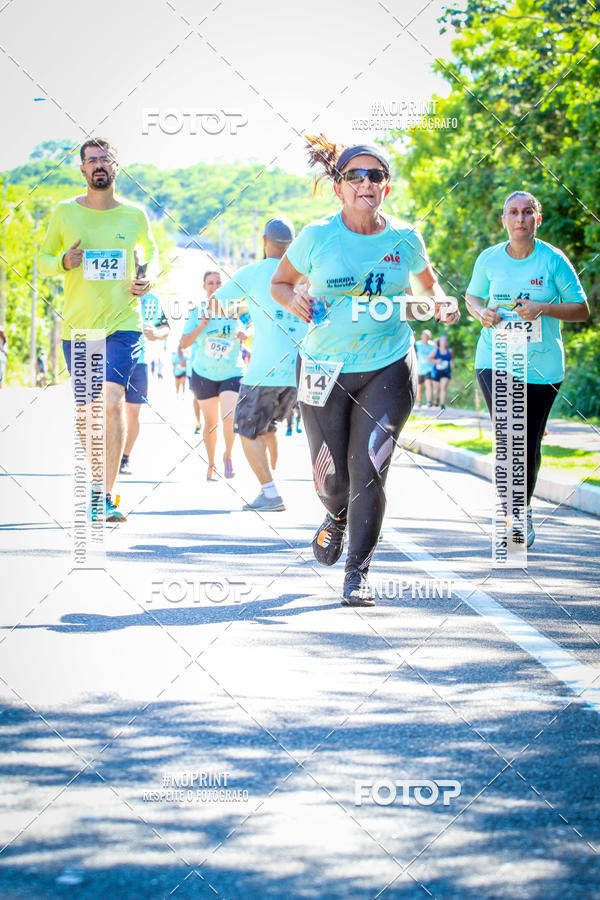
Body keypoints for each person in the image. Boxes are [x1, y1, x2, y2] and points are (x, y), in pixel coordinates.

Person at [271, 135, 460, 606]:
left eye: (374, 175)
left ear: (386, 187)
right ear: (338, 187)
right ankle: (334, 517)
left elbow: (430, 285)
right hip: (323, 367)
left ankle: (358, 574)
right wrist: (293, 299)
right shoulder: (317, 236)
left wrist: (441, 303)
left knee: (369, 469)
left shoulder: (404, 238)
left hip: (388, 366)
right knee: (334, 481)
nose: (364, 183)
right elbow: (281, 283)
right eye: (354, 176)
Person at [39, 137, 156, 522]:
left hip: (123, 324)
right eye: (92, 161)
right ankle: (94, 485)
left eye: (105, 159)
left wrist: (147, 278)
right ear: (82, 170)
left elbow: (150, 256)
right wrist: (63, 260)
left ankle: (105, 495)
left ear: (116, 167)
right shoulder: (64, 213)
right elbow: (41, 261)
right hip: (80, 329)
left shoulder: (134, 215)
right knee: (87, 412)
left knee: (112, 401)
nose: (99, 165)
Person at [466, 189, 589, 547]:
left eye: (526, 213)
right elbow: (473, 297)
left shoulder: (553, 260)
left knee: (528, 443)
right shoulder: (489, 259)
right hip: (495, 358)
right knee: (508, 437)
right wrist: (480, 312)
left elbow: (581, 310)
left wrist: (542, 307)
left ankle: (524, 507)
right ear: (503, 220)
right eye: (512, 213)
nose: (519, 219)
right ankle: (512, 515)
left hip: (542, 367)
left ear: (538, 219)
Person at [212, 217, 307, 510]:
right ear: (292, 246)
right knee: (269, 428)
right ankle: (272, 486)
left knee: (247, 429)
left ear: (264, 242)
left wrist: (248, 313)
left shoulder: (253, 272)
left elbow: (216, 302)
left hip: (264, 371)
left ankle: (269, 492)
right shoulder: (306, 274)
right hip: (302, 369)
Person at [180, 270, 249, 481]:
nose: (215, 287)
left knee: (229, 417)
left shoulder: (237, 309)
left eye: (219, 283)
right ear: (204, 287)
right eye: (211, 283)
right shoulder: (197, 312)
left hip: (232, 372)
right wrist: (202, 325)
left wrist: (247, 333)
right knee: (211, 423)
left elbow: (255, 325)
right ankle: (211, 464)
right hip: (204, 373)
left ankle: (228, 455)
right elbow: (183, 344)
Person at [119, 290, 170, 475]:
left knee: (132, 413)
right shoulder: (110, 287)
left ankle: (124, 457)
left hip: (138, 362)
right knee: (110, 410)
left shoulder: (152, 298)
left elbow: (165, 327)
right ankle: (107, 453)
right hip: (111, 360)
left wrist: (156, 332)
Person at [429, 334, 453, 409]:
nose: (444, 342)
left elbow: (451, 360)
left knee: (443, 387)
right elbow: (429, 359)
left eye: (445, 341)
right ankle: (436, 400)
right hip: (436, 372)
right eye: (442, 341)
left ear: (447, 342)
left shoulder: (450, 351)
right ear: (440, 342)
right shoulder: (436, 351)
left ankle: (442, 405)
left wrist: (452, 365)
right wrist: (436, 361)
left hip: (445, 372)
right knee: (437, 389)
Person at [414, 329, 435, 408]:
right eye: (424, 335)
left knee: (428, 383)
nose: (426, 337)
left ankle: (429, 402)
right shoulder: (417, 344)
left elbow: (435, 355)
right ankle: (419, 401)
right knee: (419, 387)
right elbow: (414, 355)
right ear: (421, 336)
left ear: (429, 337)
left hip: (429, 369)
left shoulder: (432, 345)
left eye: (427, 336)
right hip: (419, 369)